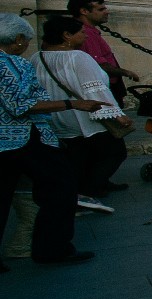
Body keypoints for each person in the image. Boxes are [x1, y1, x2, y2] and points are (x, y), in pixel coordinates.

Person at [0, 12, 105, 268]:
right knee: (60, 186)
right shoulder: (15, 64)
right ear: (18, 39)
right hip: (24, 137)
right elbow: (20, 105)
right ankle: (52, 248)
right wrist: (73, 104)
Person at [34, 15, 131, 209]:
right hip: (85, 115)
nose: (85, 36)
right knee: (114, 152)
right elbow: (94, 88)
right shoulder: (79, 57)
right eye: (81, 32)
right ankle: (86, 193)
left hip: (58, 113)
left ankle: (73, 192)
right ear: (66, 35)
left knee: (76, 157)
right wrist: (117, 114)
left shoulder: (37, 57)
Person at [68, 0, 140, 104]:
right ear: (84, 11)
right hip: (101, 86)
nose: (106, 12)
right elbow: (97, 64)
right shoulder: (86, 34)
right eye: (101, 9)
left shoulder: (89, 32)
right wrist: (126, 72)